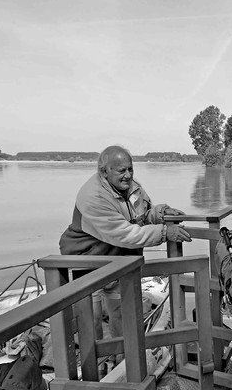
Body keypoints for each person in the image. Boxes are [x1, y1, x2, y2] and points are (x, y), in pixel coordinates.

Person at [59, 145, 192, 360]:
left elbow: (143, 214)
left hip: (118, 260)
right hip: (86, 261)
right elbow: (127, 234)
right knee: (89, 322)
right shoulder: (92, 196)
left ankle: (123, 360)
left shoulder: (132, 188)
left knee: (121, 314)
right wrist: (166, 232)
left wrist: (161, 213)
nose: (128, 175)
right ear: (104, 171)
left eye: (130, 169)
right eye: (122, 171)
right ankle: (94, 367)